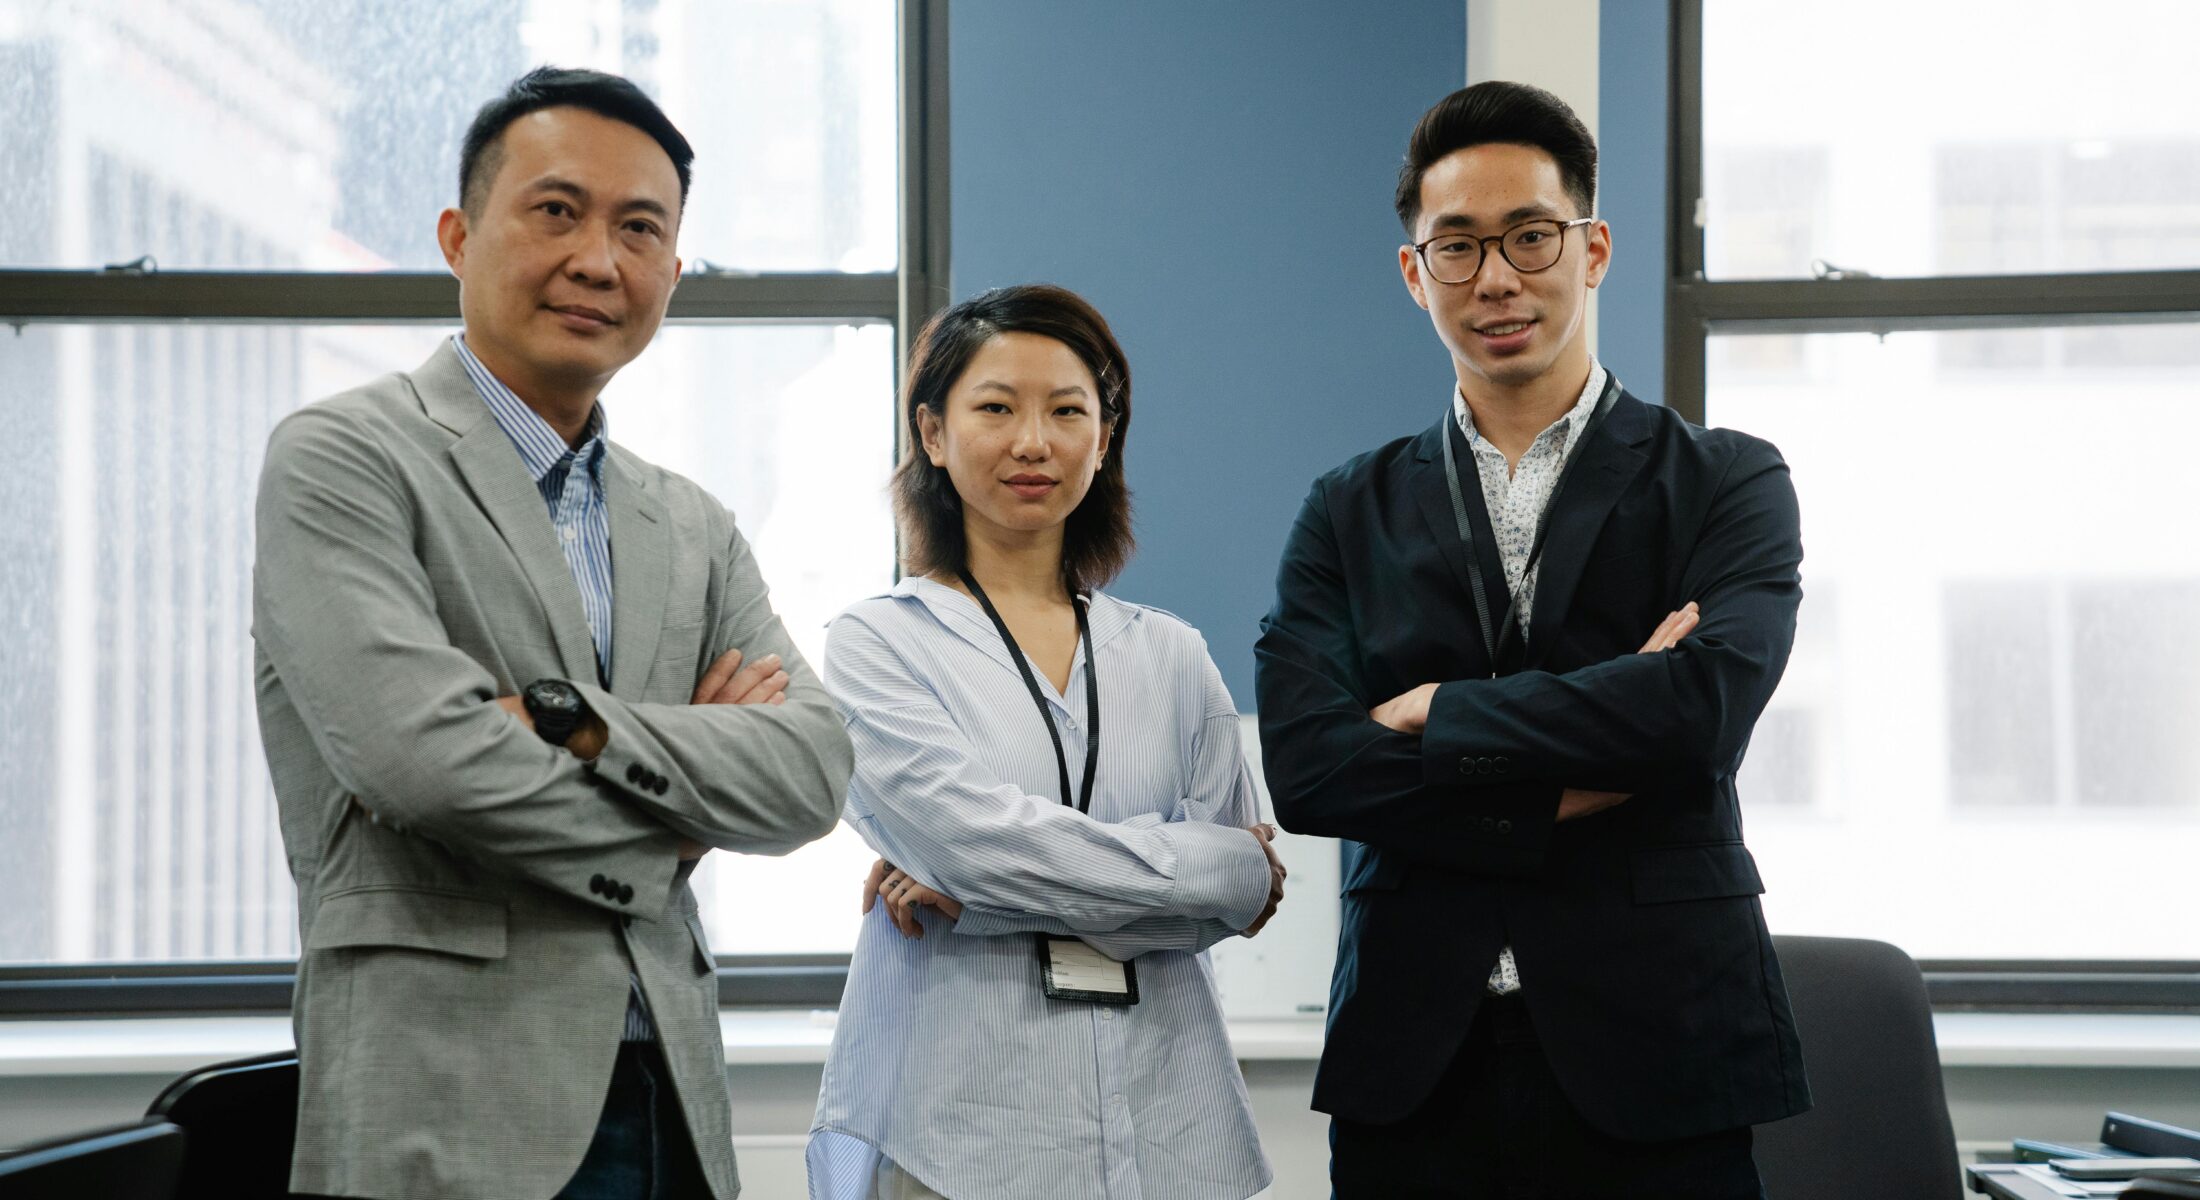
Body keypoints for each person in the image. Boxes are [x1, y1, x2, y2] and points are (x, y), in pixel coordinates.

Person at [253, 67, 852, 1200]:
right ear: (457, 234)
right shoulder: (345, 459)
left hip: (671, 1090)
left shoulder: (692, 522)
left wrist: (576, 726)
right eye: (556, 211)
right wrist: (676, 827)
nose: (598, 260)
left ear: (671, 271)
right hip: (448, 1098)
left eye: (640, 229)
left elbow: (811, 771)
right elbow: (424, 764)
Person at [1254, 81, 1811, 1199]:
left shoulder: (1728, 481)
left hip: (1660, 1054)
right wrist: (1597, 757)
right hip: (1414, 1061)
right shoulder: (1344, 508)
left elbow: (1699, 716)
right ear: (1415, 274)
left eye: (1529, 237)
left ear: (1591, 248)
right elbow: (1311, 771)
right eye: (1455, 247)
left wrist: (1438, 716)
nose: (1495, 277)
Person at [805, 284, 1288, 1200]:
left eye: (1069, 411)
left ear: (1103, 440)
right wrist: (1176, 869)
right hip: (963, 1142)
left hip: (1169, 1132)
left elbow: (1251, 885)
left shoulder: (1171, 653)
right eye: (995, 408)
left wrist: (981, 891)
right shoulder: (877, 644)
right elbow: (973, 849)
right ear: (934, 435)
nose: (1034, 441)